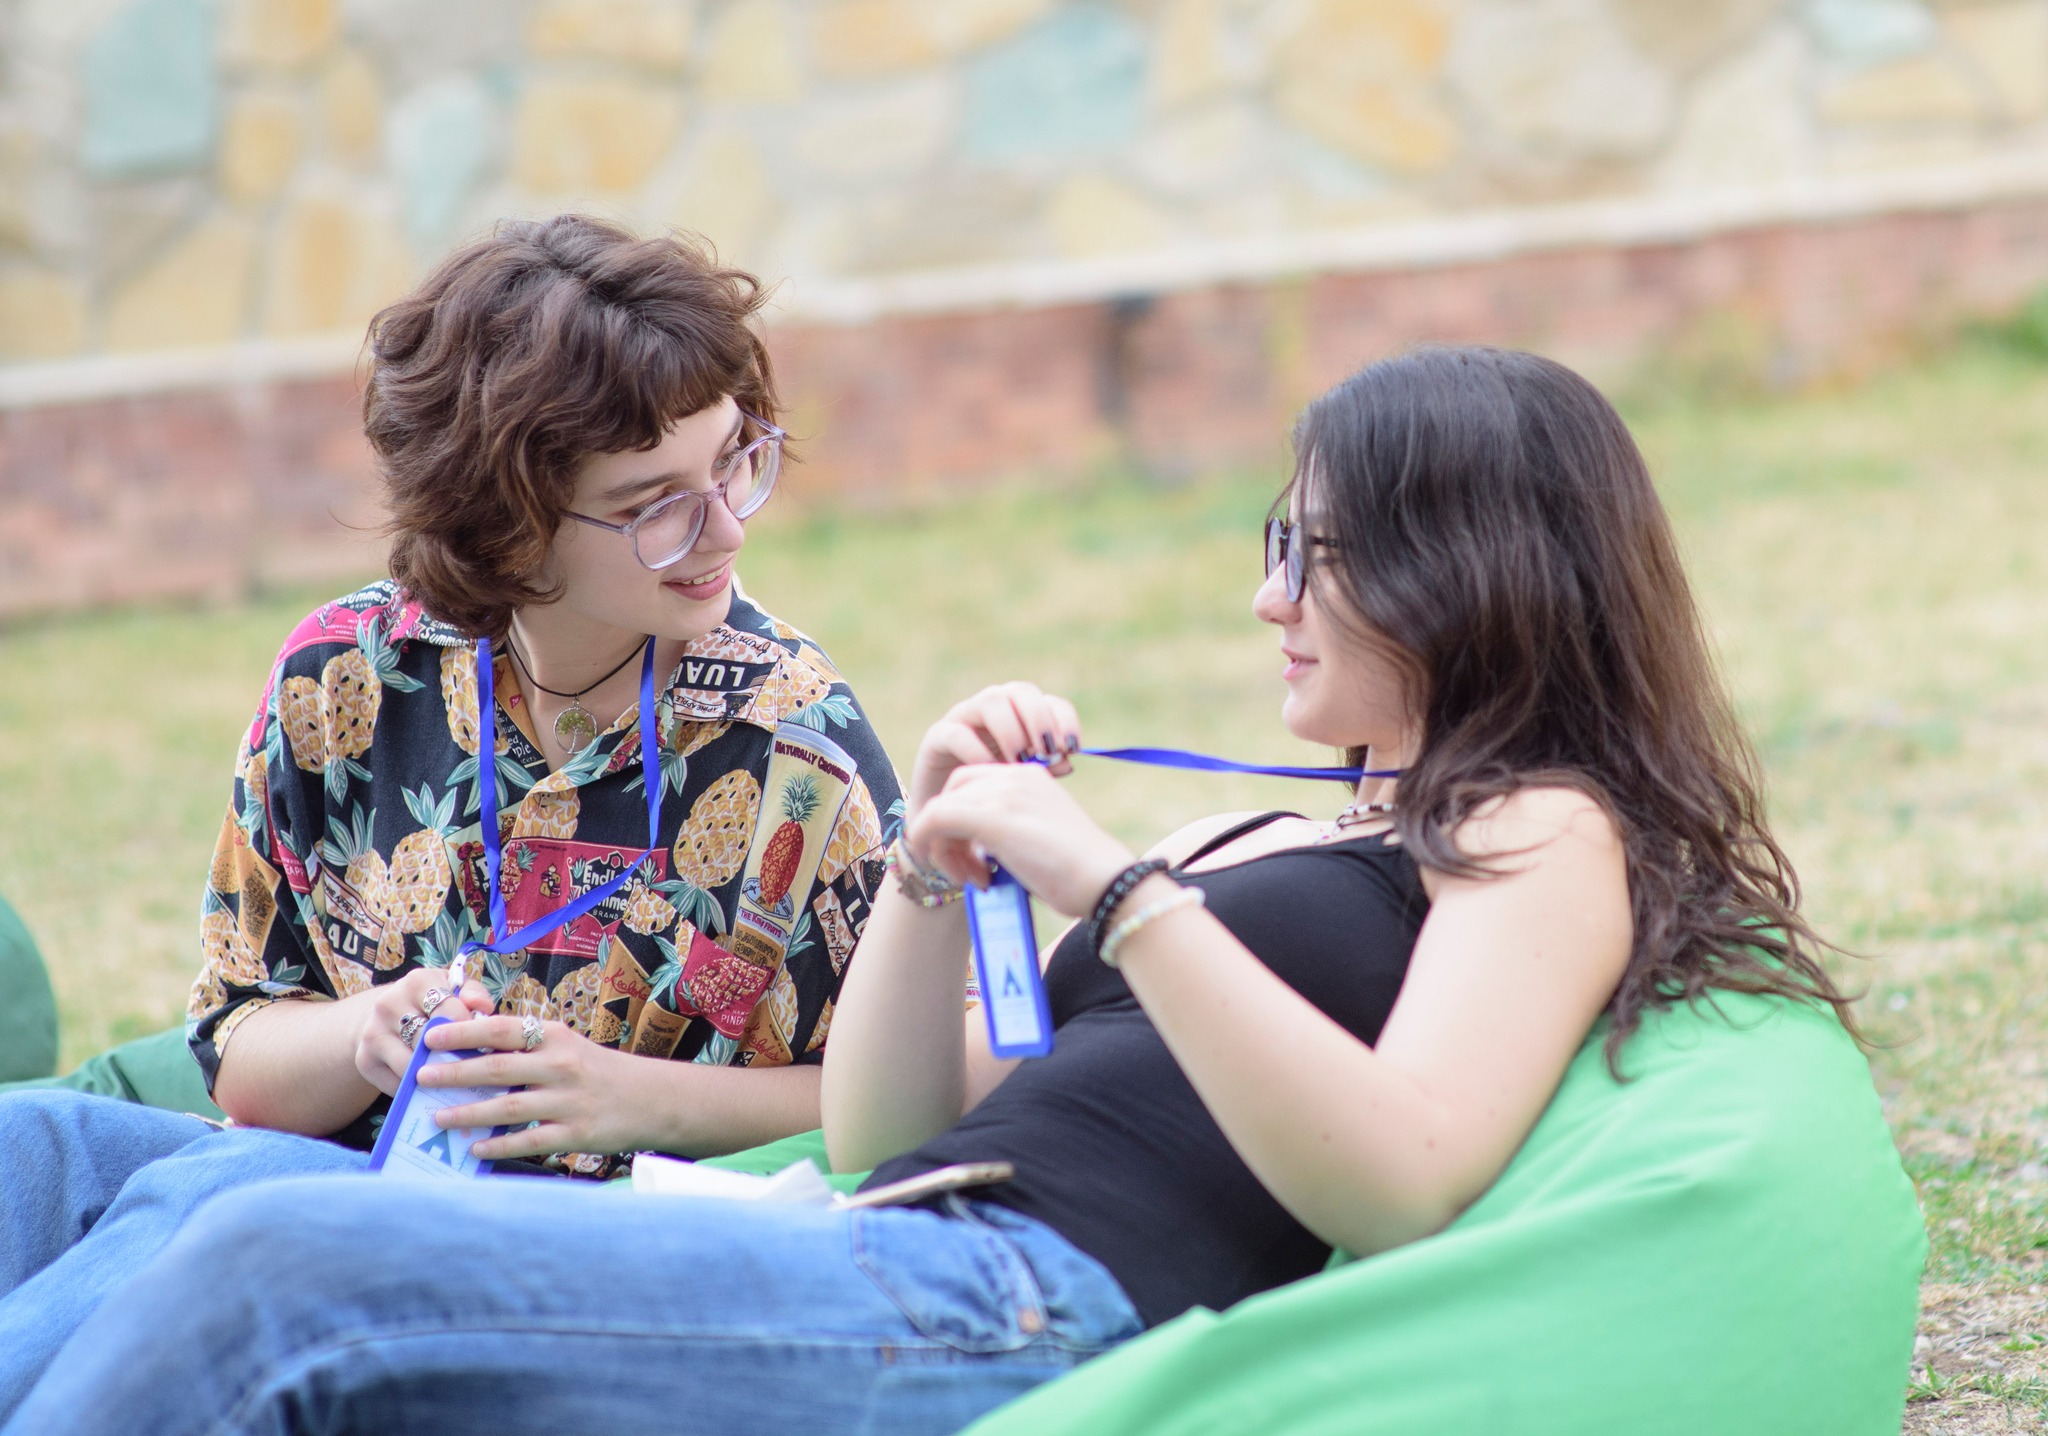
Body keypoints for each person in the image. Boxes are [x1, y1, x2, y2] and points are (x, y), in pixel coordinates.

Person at [1, 347, 1856, 1436]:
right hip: (876, 1225)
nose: (1267, 597)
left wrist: (1117, 893)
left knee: (276, 1266)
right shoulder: (1295, 829)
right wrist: (932, 858)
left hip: (1008, 1302)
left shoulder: (1540, 826)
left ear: (1467, 572)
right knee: (144, 1172)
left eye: (1313, 551)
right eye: (1273, 543)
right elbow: (889, 1122)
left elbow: (1396, 1172)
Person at [0, 216, 900, 1418]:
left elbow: (918, 1091)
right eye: (655, 505)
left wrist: (628, 1096)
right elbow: (238, 1051)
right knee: (31, 1150)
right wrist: (367, 1033)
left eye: (736, 459)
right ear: (507, 528)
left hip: (565, 1265)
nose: (727, 530)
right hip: (326, 1175)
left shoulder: (792, 739)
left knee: (229, 1207)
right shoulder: (345, 677)